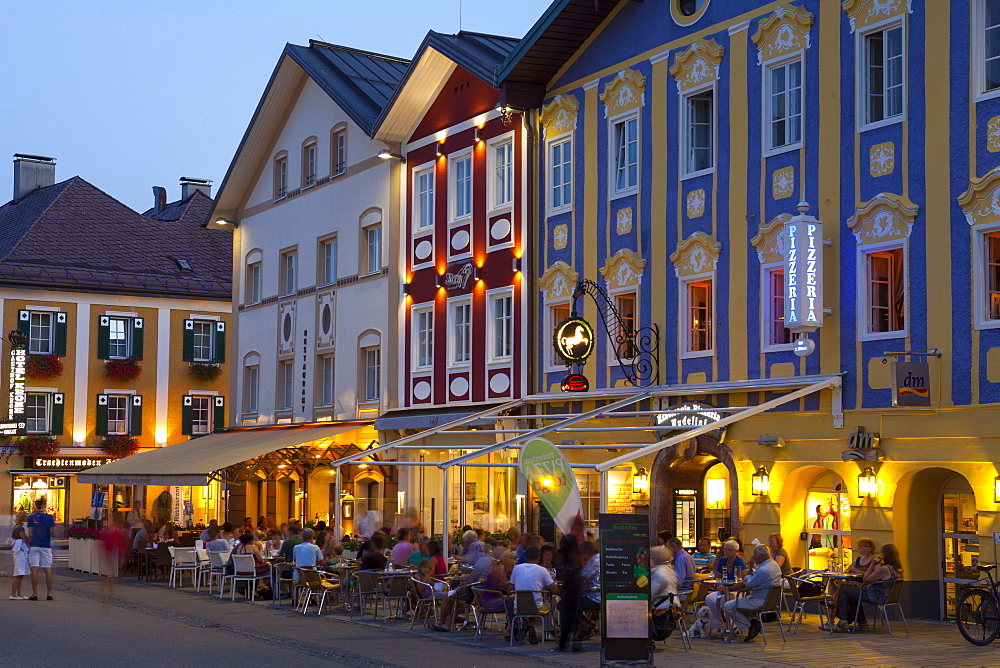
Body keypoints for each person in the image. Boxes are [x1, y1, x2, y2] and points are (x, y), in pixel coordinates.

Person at [833, 543, 903, 632]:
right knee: (851, 592)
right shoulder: (897, 569)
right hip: (886, 596)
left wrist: (872, 564)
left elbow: (866, 579)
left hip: (875, 596)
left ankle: (843, 621)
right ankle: (862, 623)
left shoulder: (885, 569)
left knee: (843, 589)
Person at [722, 544, 783, 642]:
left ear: (762, 556)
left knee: (728, 606)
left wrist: (746, 575)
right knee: (737, 605)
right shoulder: (774, 565)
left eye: (755, 555)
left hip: (758, 600)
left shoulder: (763, 570)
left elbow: (749, 584)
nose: (754, 557)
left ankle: (751, 624)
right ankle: (753, 622)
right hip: (769, 602)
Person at [503, 547, 559, 642]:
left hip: (518, 608)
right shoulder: (542, 570)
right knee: (555, 599)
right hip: (537, 608)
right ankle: (543, 628)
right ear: (539, 558)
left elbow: (510, 589)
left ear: (525, 557)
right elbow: (553, 589)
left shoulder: (516, 568)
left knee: (529, 605)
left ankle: (528, 625)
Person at [705, 540, 747, 634]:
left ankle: (733, 626)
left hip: (737, 591)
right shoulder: (722, 561)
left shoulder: (739, 562)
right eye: (725, 549)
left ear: (736, 551)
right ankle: (718, 625)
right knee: (710, 598)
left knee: (725, 601)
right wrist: (721, 586)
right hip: (724, 590)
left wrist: (730, 589)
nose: (726, 552)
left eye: (729, 550)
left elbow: (744, 581)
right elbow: (717, 577)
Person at [554, 535, 584, 652]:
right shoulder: (577, 551)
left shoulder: (561, 552)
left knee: (566, 612)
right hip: (576, 582)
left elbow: (559, 567)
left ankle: (563, 643)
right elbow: (580, 566)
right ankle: (576, 644)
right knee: (575, 611)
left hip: (567, 582)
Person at [26, 497, 55, 601]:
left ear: (35, 506)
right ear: (44, 505)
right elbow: (54, 533)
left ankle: (34, 594)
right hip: (46, 545)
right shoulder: (50, 517)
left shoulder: (31, 517)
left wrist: (28, 543)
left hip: (34, 545)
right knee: (47, 569)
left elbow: (30, 534)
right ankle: (49, 593)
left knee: (34, 568)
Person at [575, 541, 601, 640]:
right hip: (594, 595)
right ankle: (589, 625)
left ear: (587, 551)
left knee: (564, 605)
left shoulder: (595, 561)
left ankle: (586, 627)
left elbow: (582, 577)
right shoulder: (596, 559)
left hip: (595, 598)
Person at [9, 512, 29, 599]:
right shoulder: (20, 528)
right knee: (18, 574)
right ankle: (13, 594)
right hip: (20, 552)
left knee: (20, 574)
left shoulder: (16, 527)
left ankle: (19, 593)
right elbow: (24, 538)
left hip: (18, 551)